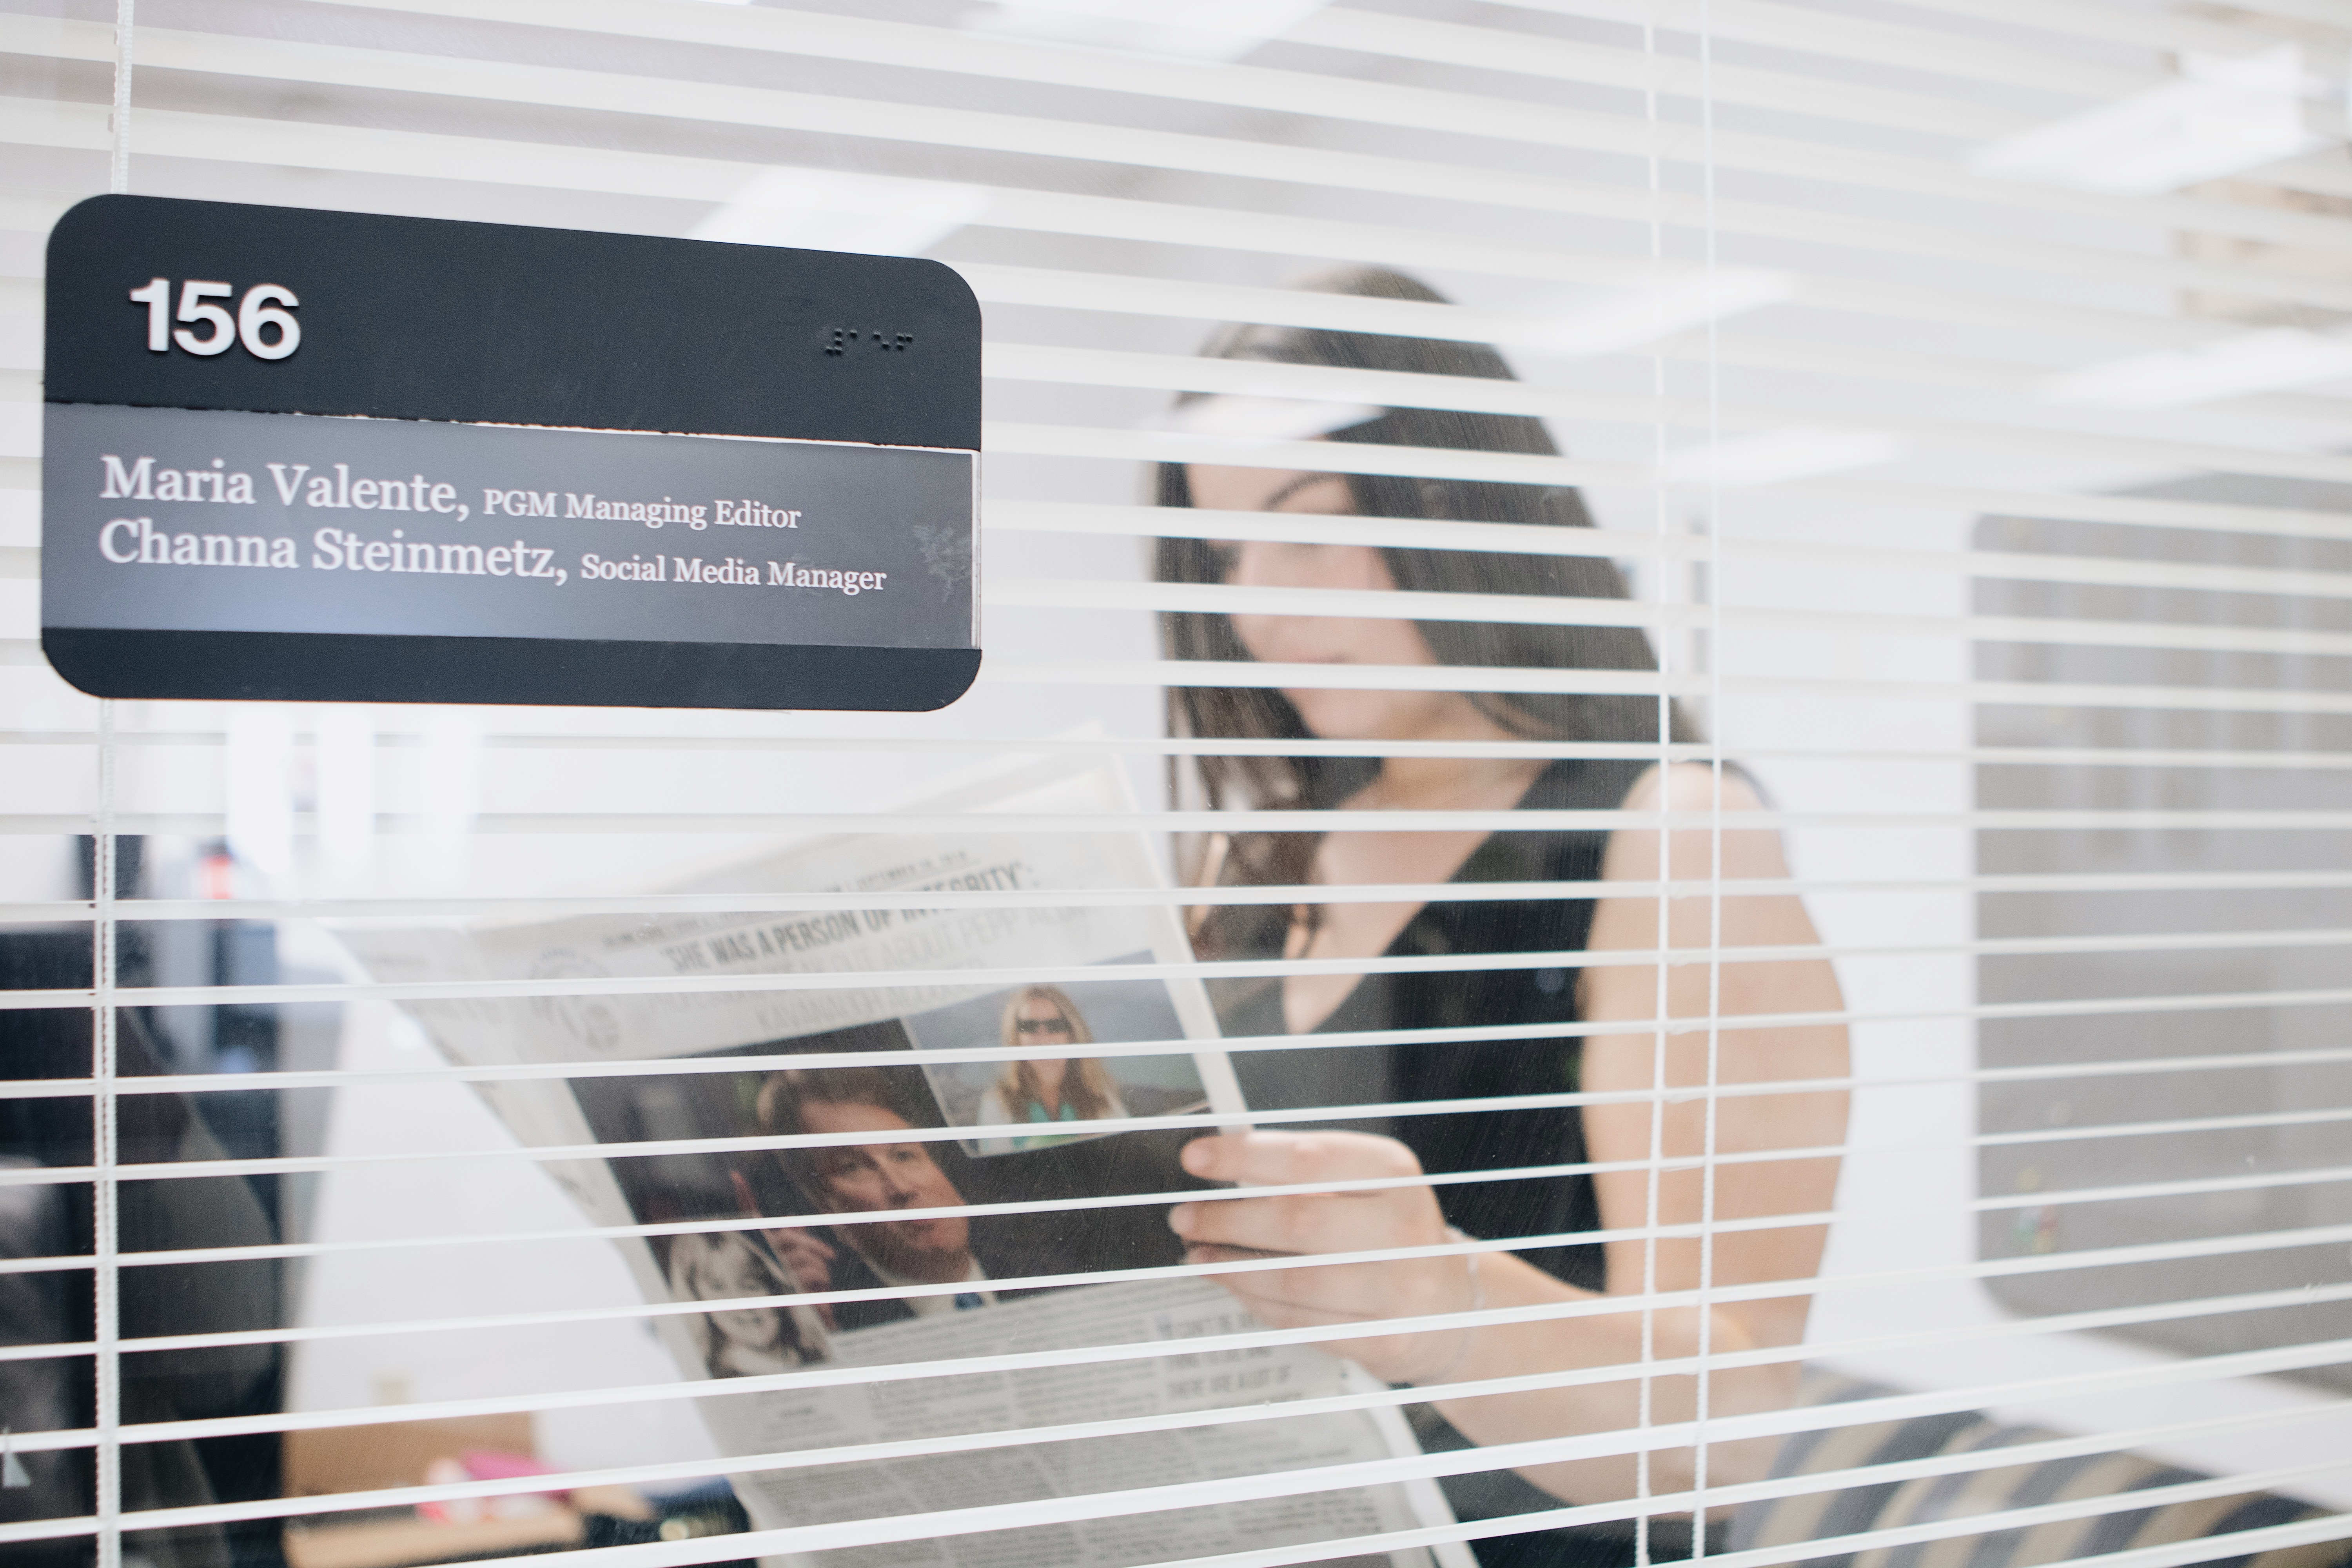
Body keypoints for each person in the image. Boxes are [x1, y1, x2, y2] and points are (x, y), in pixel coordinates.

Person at [1152, 267, 1851, 1567]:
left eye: (1313, 524)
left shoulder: (1670, 840)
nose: (1259, 604)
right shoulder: (1260, 860)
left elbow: (1733, 1430)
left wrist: (1435, 1294)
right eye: (1229, 550)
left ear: (1452, 500)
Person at [744, 1067, 1035, 1330]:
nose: (901, 1187)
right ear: (824, 1206)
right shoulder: (836, 1324)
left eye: (903, 1155)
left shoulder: (1049, 1272)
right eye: (853, 1167)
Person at [972, 985, 1130, 1152]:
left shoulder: (1101, 1096)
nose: (1043, 1038)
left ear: (1072, 1034)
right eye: (1030, 1027)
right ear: (1016, 1038)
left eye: (1055, 1025)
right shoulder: (998, 1104)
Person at [663, 1228, 822, 1377]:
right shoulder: (718, 1377)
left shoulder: (815, 1356)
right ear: (698, 1300)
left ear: (775, 1287)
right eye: (718, 1289)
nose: (739, 1302)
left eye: (750, 1285)